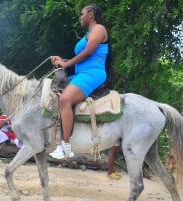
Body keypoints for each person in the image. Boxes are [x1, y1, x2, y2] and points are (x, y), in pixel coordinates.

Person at [49, 3, 110, 159]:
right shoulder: (88, 34)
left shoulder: (99, 29)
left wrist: (66, 64)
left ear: (90, 14)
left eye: (82, 14)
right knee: (53, 92)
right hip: (82, 72)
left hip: (93, 73)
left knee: (65, 99)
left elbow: (88, 53)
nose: (80, 18)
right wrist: (62, 60)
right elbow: (81, 59)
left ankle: (65, 146)